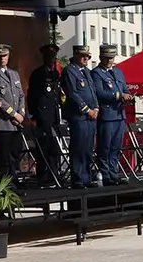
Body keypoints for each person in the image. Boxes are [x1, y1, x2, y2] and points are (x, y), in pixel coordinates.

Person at [90, 44, 134, 185]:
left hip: (119, 114)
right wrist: (118, 95)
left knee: (116, 147)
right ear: (101, 57)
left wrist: (128, 95)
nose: (110, 61)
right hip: (107, 115)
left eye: (112, 58)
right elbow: (99, 93)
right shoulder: (96, 73)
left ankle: (113, 173)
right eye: (107, 58)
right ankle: (105, 174)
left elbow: (125, 88)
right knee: (105, 146)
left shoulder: (118, 72)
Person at [0, 44, 28, 181]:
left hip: (15, 124)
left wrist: (21, 114)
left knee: (14, 154)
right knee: (2, 159)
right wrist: (13, 114)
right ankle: (5, 187)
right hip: (1, 123)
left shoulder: (14, 74)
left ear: (8, 57)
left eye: (4, 56)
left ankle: (13, 183)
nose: (2, 59)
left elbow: (21, 95)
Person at [60, 45, 98, 188]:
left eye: (88, 56)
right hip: (79, 116)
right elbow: (72, 93)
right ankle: (77, 179)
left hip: (91, 116)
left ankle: (86, 177)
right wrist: (87, 110)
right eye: (83, 56)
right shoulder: (69, 71)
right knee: (78, 148)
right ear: (75, 55)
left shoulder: (87, 72)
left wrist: (96, 107)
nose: (86, 58)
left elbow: (93, 92)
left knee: (88, 148)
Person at [27, 43, 63, 186]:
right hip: (42, 117)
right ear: (44, 57)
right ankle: (44, 176)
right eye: (49, 56)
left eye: (53, 56)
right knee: (44, 148)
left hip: (54, 116)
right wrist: (33, 115)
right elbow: (32, 96)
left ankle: (54, 174)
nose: (51, 59)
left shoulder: (55, 74)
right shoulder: (38, 74)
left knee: (54, 148)